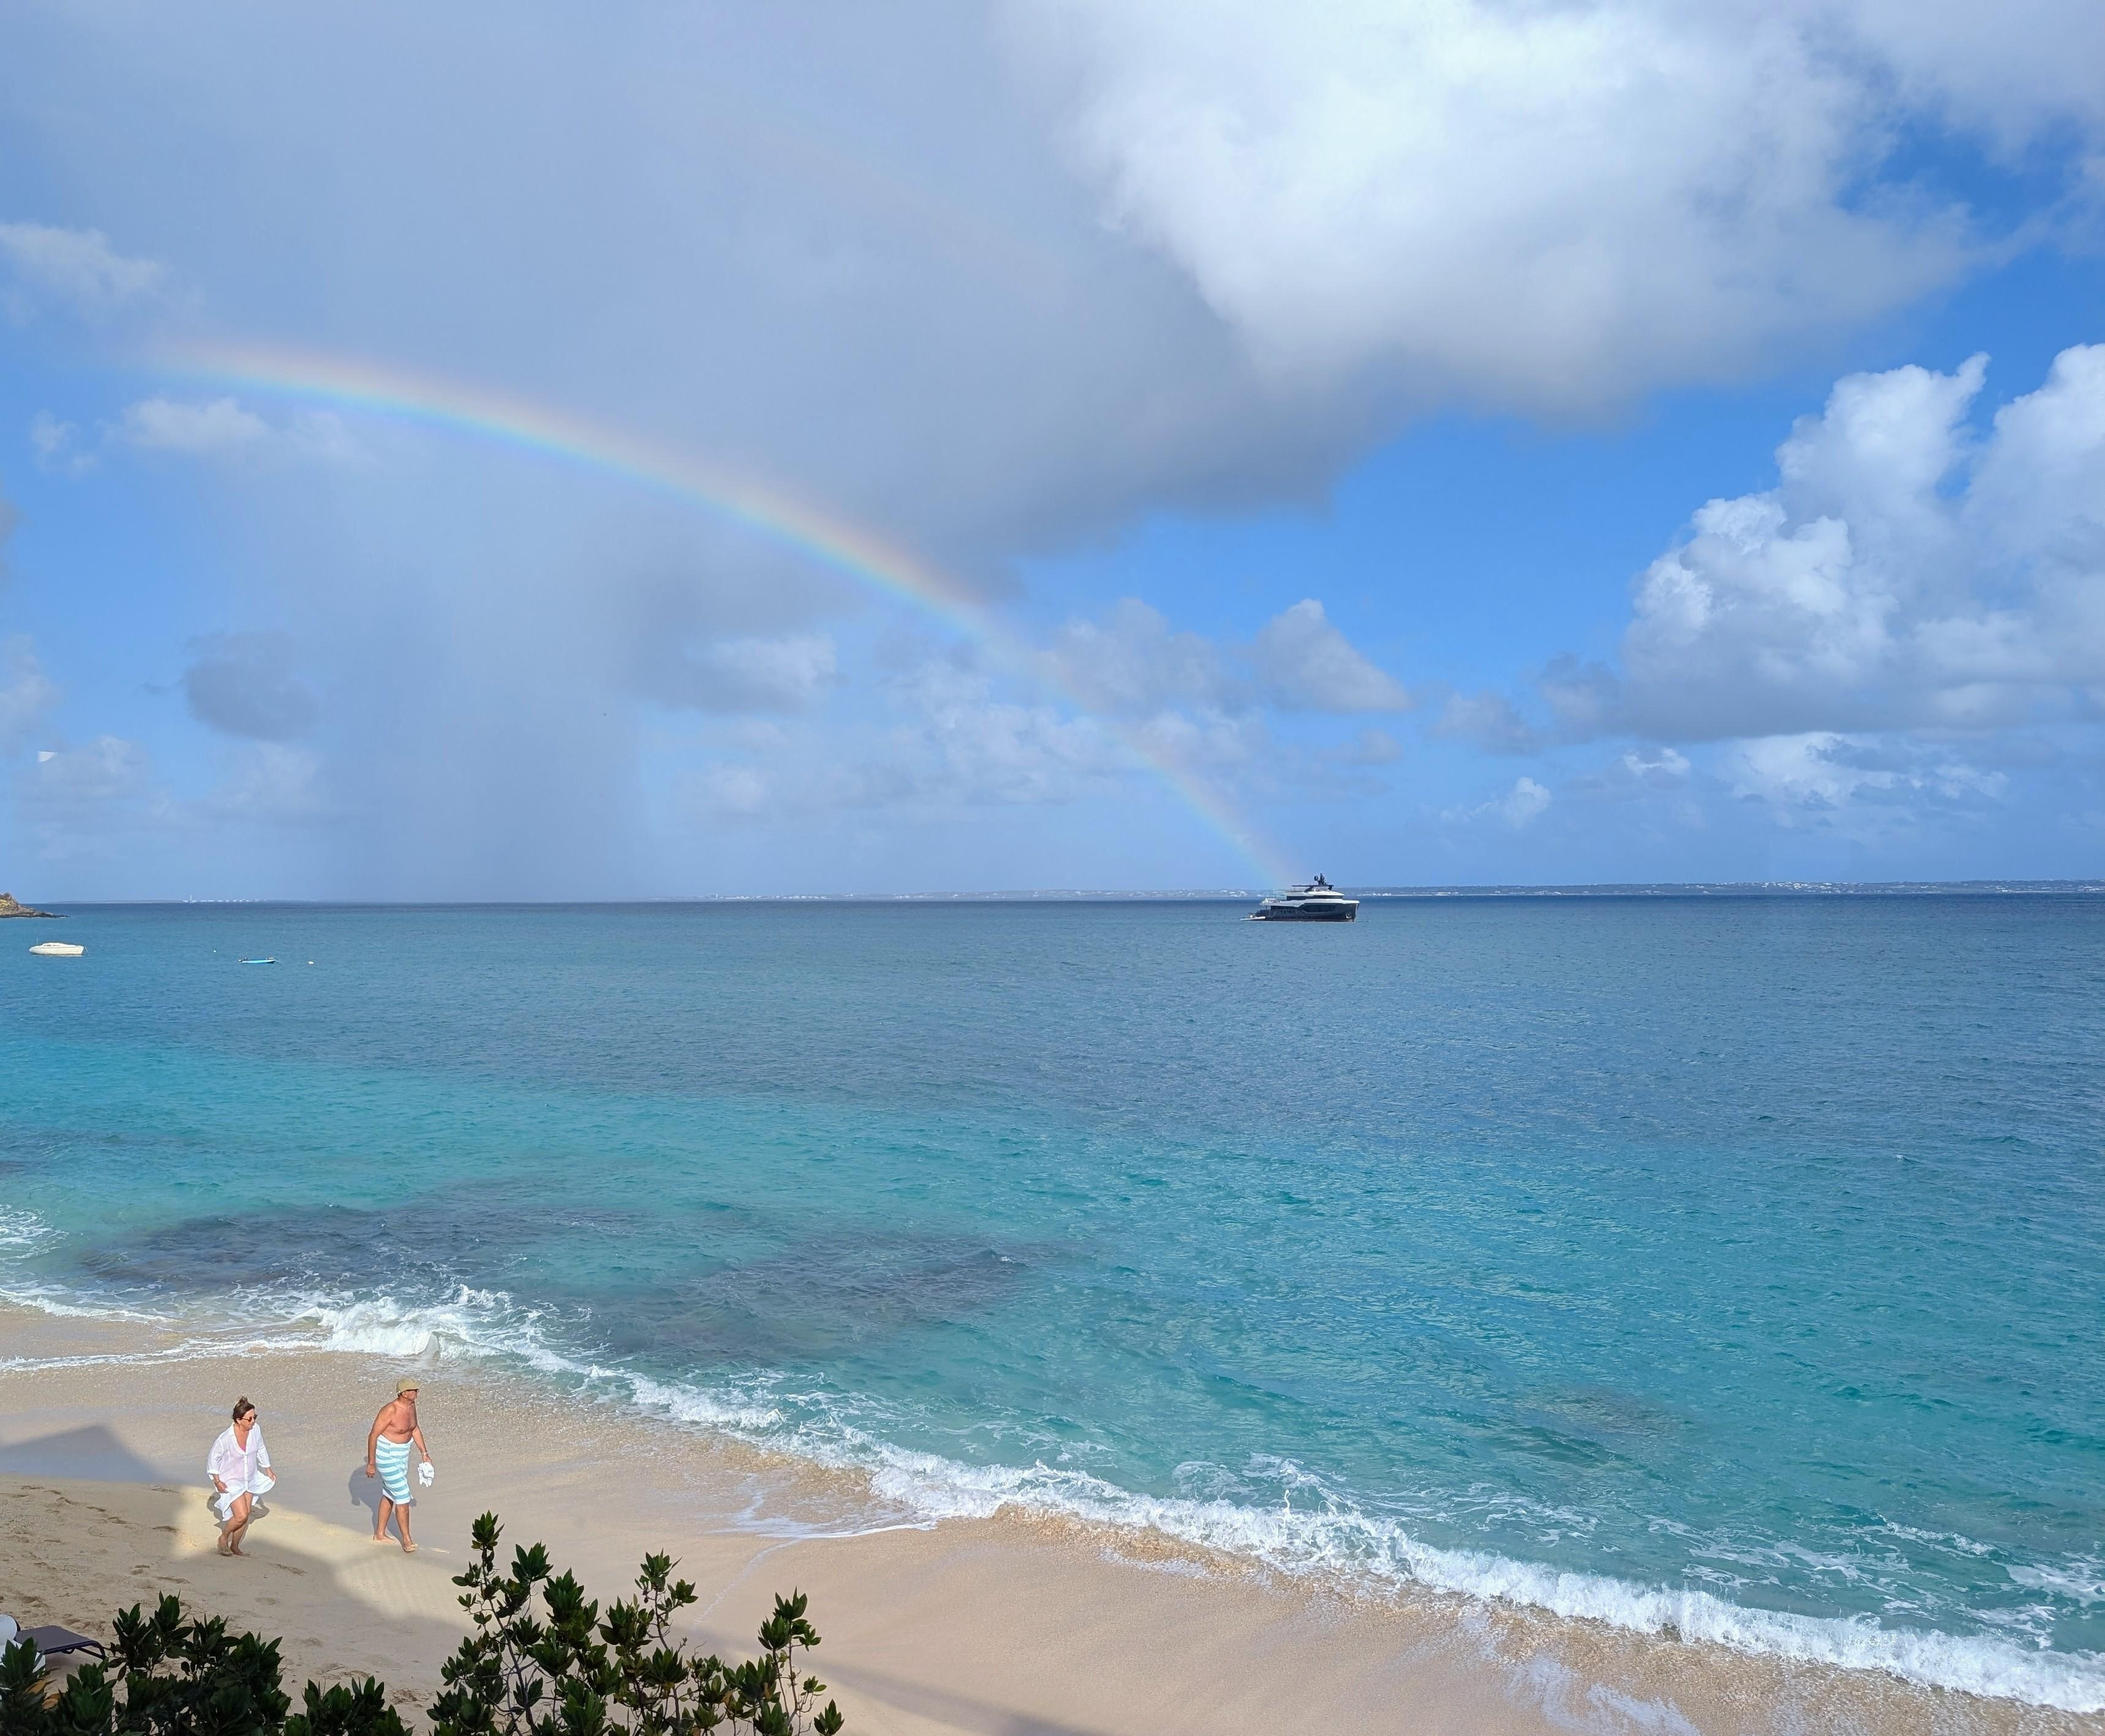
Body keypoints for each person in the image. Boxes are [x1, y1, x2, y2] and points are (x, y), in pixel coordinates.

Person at [365, 1377, 434, 1553]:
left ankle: (380, 1534)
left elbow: (415, 1429)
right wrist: (372, 1464)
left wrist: (425, 1454)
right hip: (386, 1454)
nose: (417, 1392)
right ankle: (407, 1540)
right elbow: (373, 1435)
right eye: (414, 1390)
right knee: (403, 1496)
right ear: (404, 1393)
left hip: (403, 1454)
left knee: (389, 1493)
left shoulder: (411, 1406)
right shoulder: (390, 1410)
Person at [206, 1397, 276, 1558]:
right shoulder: (225, 1439)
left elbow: (261, 1449)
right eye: (249, 1419)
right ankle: (223, 1538)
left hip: (250, 1478)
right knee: (241, 1515)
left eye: (255, 1417)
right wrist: (217, 1480)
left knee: (247, 1514)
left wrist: (268, 1469)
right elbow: (213, 1459)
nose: (253, 1421)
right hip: (232, 1481)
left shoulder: (256, 1430)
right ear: (239, 1420)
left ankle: (235, 1547)